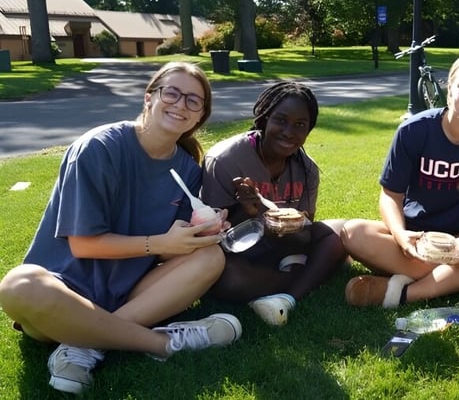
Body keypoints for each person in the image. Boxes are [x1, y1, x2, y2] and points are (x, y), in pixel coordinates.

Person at [0, 62, 243, 395]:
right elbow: (84, 245)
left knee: (211, 257)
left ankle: (86, 343)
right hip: (63, 294)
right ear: (149, 98)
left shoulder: (187, 169)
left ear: (200, 115)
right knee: (19, 285)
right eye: (171, 93)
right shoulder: (98, 149)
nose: (180, 104)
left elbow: (169, 245)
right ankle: (163, 343)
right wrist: (160, 243)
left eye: (193, 100)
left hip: (127, 294)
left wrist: (202, 231)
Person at [341, 50, 459, 308]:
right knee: (353, 233)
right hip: (419, 238)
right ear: (449, 86)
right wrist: (400, 236)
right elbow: (391, 195)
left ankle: (404, 294)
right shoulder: (414, 130)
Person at [201, 81, 347, 326]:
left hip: (285, 246)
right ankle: (302, 280)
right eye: (280, 120)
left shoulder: (307, 169)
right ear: (263, 118)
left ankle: (287, 296)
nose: (289, 132)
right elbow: (214, 237)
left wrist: (276, 220)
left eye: (300, 125)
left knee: (338, 235)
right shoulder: (225, 160)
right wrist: (247, 214)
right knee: (227, 278)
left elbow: (305, 235)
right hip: (239, 254)